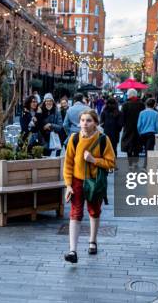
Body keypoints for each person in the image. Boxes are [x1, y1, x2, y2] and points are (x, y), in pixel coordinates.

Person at [63, 109, 116, 263]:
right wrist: (68, 185)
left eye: (89, 121)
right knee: (75, 213)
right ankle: (73, 251)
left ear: (95, 123)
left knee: (94, 211)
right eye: (83, 120)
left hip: (95, 182)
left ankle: (92, 241)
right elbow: (68, 164)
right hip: (77, 181)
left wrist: (94, 160)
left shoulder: (103, 140)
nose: (85, 124)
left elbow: (111, 163)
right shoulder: (74, 139)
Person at [120, 88, 145, 161]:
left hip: (128, 127)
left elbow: (122, 116)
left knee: (128, 144)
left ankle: (130, 161)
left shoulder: (125, 105)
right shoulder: (141, 104)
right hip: (138, 127)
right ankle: (136, 161)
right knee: (137, 144)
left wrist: (123, 124)